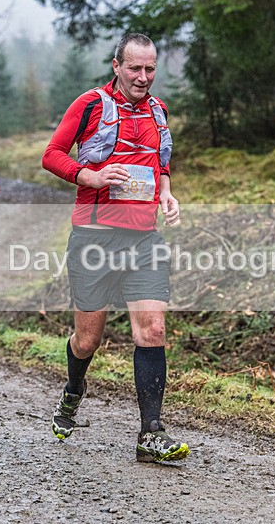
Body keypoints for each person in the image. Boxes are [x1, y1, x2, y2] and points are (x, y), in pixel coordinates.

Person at [42, 33, 188, 463]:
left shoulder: (158, 111)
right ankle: (74, 389)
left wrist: (166, 193)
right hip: (94, 238)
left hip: (143, 238)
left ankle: (150, 433)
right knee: (88, 340)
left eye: (150, 69)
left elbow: (161, 164)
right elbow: (52, 154)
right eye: (134, 68)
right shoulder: (90, 105)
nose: (143, 77)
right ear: (117, 66)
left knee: (153, 331)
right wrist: (88, 176)